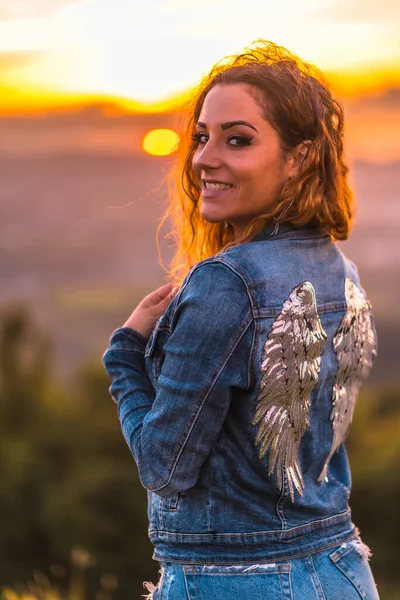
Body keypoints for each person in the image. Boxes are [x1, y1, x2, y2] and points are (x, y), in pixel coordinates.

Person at [102, 40, 379, 599]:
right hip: (343, 571)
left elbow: (165, 464)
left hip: (238, 580)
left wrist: (126, 354)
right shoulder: (340, 269)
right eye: (202, 136)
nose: (204, 157)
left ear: (299, 157)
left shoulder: (228, 283)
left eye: (238, 140)